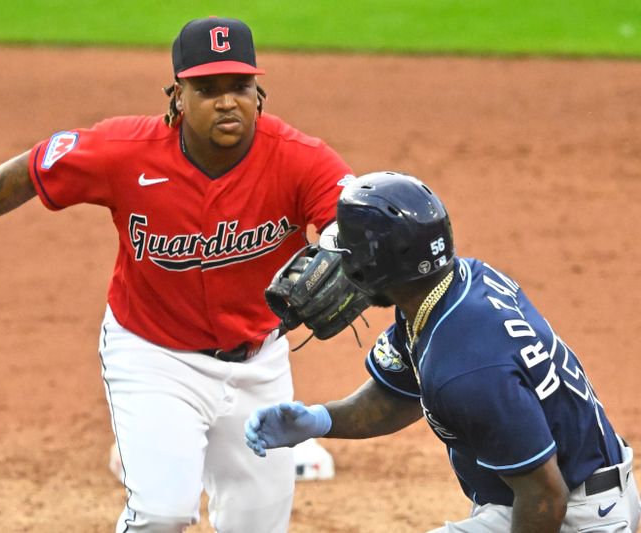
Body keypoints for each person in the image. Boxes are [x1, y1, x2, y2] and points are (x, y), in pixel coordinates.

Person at [0, 16, 354, 533]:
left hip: (259, 363)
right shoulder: (124, 150)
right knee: (161, 515)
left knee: (257, 527)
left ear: (259, 93)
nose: (226, 102)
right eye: (207, 88)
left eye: (239, 87)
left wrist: (350, 249)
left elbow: (356, 218)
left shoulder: (299, 159)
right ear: (176, 95)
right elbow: (31, 171)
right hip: (154, 357)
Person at [245, 171, 641, 532]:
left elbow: (544, 499)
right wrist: (319, 421)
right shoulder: (451, 288)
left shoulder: (466, 371)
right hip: (549, 495)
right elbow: (399, 394)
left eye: (348, 255)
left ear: (379, 269)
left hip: (573, 515)